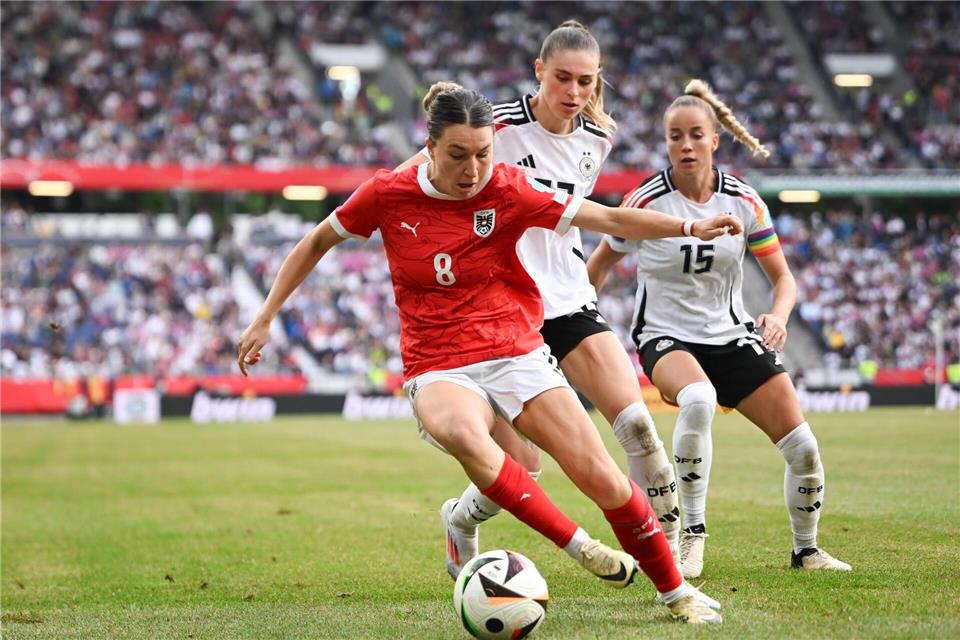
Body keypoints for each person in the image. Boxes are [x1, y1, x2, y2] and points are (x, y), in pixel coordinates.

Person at [238, 86, 740, 623]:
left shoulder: (509, 187)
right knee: (463, 433)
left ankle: (675, 591)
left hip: (515, 351)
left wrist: (691, 226)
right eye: (458, 155)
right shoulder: (388, 194)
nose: (473, 168)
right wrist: (266, 315)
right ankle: (581, 547)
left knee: (595, 475)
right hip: (438, 363)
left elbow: (611, 220)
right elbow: (317, 240)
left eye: (483, 153)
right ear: (429, 148)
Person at [395, 21, 685, 586]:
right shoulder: (495, 127)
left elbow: (579, 218)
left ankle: (672, 553)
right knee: (526, 465)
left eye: (585, 81)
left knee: (637, 427)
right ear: (538, 72)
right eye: (562, 78)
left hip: (569, 301)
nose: (572, 92)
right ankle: (460, 520)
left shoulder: (598, 138)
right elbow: (422, 176)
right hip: (500, 309)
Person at [587, 79, 852, 578]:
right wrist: (577, 330)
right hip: (665, 336)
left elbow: (783, 279)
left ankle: (807, 550)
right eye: (674, 137)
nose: (685, 145)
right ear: (665, 142)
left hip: (731, 335)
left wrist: (778, 315)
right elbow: (596, 270)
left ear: (715, 139)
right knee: (698, 399)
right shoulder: (645, 200)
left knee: (804, 449)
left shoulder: (745, 202)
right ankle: (693, 532)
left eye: (695, 135)